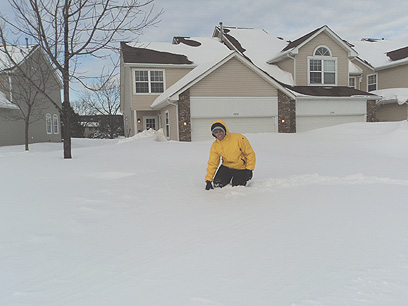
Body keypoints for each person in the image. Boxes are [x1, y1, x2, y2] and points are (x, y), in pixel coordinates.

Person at [205, 120, 256, 190]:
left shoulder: (239, 138)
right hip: (226, 167)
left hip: (240, 167)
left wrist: (249, 169)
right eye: (216, 132)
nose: (219, 134)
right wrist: (208, 180)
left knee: (237, 187)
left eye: (220, 131)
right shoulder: (215, 145)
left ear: (225, 130)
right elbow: (212, 163)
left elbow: (249, 154)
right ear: (213, 134)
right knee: (217, 184)